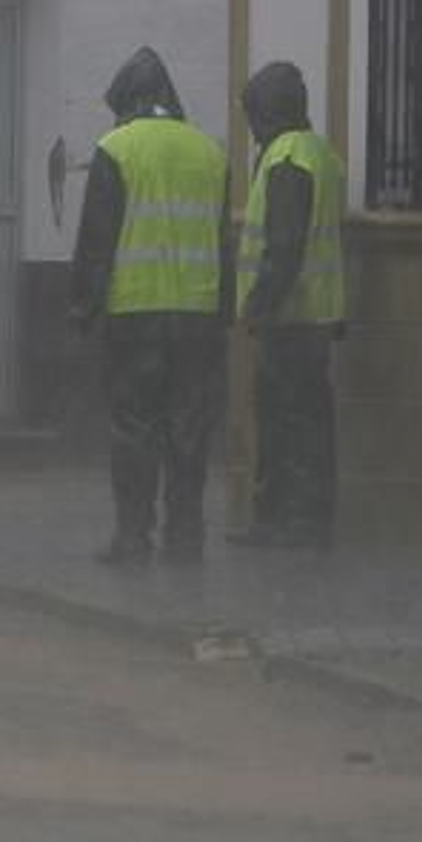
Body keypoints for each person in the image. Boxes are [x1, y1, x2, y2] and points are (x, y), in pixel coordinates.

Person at [70, 47, 231, 565]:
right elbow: (223, 240)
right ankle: (186, 537)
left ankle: (133, 538)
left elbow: (96, 238)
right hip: (199, 316)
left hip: (135, 313)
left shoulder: (116, 148)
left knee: (134, 427)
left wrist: (83, 305)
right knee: (189, 427)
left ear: (130, 100)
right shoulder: (211, 152)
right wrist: (225, 310)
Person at [229, 62, 345, 550]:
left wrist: (259, 303)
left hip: (288, 316)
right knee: (311, 419)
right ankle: (309, 520)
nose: (252, 128)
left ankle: (283, 522)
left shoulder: (285, 158)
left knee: (283, 420)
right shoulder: (321, 153)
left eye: (254, 115)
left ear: (269, 112)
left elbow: (284, 243)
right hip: (315, 315)